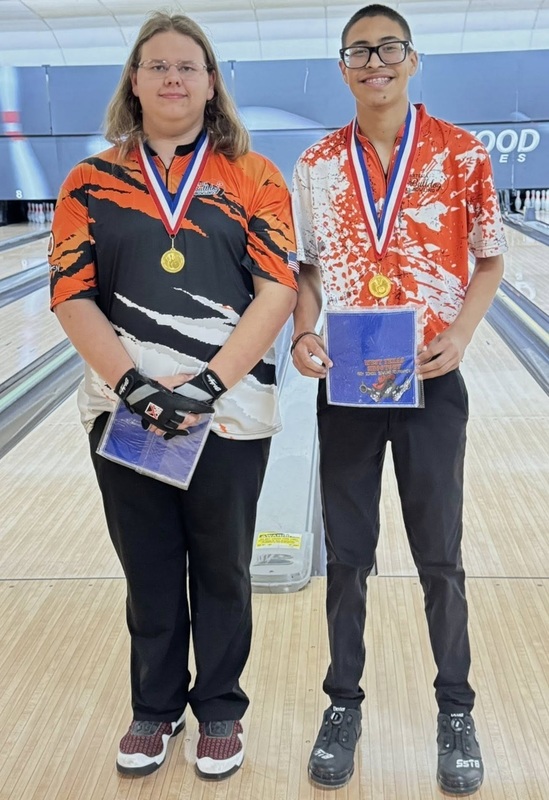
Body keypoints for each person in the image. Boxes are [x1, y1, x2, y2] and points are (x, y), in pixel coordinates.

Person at [49, 11, 297, 782]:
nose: (172, 78)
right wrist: (133, 384)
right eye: (156, 65)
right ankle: (154, 710)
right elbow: (69, 293)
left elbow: (278, 287)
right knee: (149, 567)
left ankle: (219, 707)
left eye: (187, 65)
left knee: (221, 567)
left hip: (227, 413)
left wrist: (210, 383)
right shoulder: (89, 181)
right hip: (122, 410)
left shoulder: (253, 176)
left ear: (211, 80)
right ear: (134, 79)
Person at [291, 4, 506, 795]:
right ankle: (341, 705)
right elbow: (305, 269)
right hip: (348, 381)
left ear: (411, 60)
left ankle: (456, 709)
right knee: (347, 558)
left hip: (432, 379)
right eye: (358, 50)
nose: (373, 60)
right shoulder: (315, 163)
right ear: (342, 66)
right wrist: (303, 331)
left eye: (387, 48)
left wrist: (463, 334)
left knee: (438, 557)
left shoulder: (460, 153)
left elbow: (488, 260)